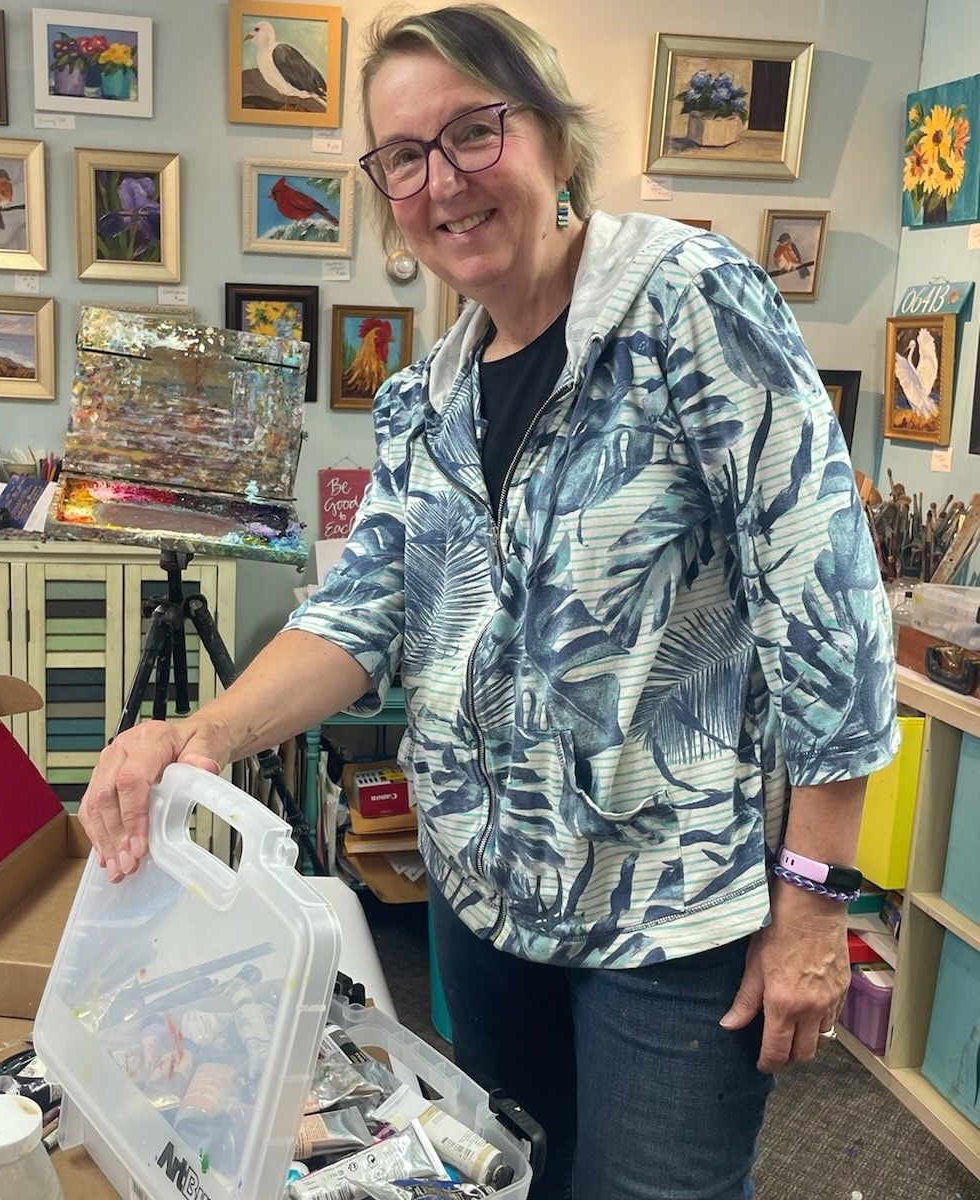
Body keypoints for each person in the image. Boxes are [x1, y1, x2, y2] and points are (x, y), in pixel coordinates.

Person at [79, 6, 899, 1197]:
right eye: (405, 157)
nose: (444, 182)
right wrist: (198, 735)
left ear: (554, 138)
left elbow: (826, 595)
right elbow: (357, 615)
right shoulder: (426, 398)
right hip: (483, 909)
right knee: (514, 1178)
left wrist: (817, 900)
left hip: (667, 924)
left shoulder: (687, 303)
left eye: (474, 131)